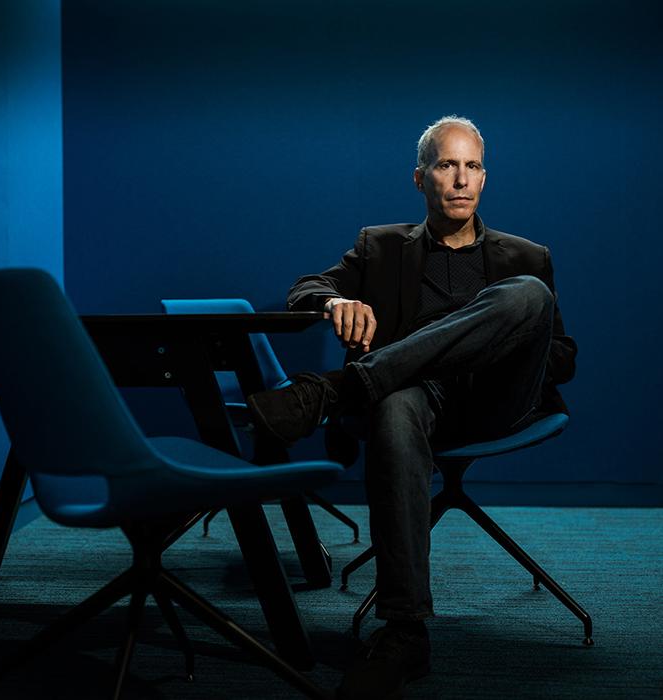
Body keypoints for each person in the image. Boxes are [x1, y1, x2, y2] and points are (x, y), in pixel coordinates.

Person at [246, 115, 576, 699]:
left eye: (472, 166)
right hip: (413, 398)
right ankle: (404, 634)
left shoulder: (526, 256)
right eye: (447, 165)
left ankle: (336, 391)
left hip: (495, 399)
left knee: (530, 297)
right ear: (420, 177)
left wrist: (495, 348)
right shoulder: (381, 246)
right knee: (395, 407)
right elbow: (305, 287)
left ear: (484, 178)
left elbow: (562, 354)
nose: (460, 179)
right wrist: (338, 300)